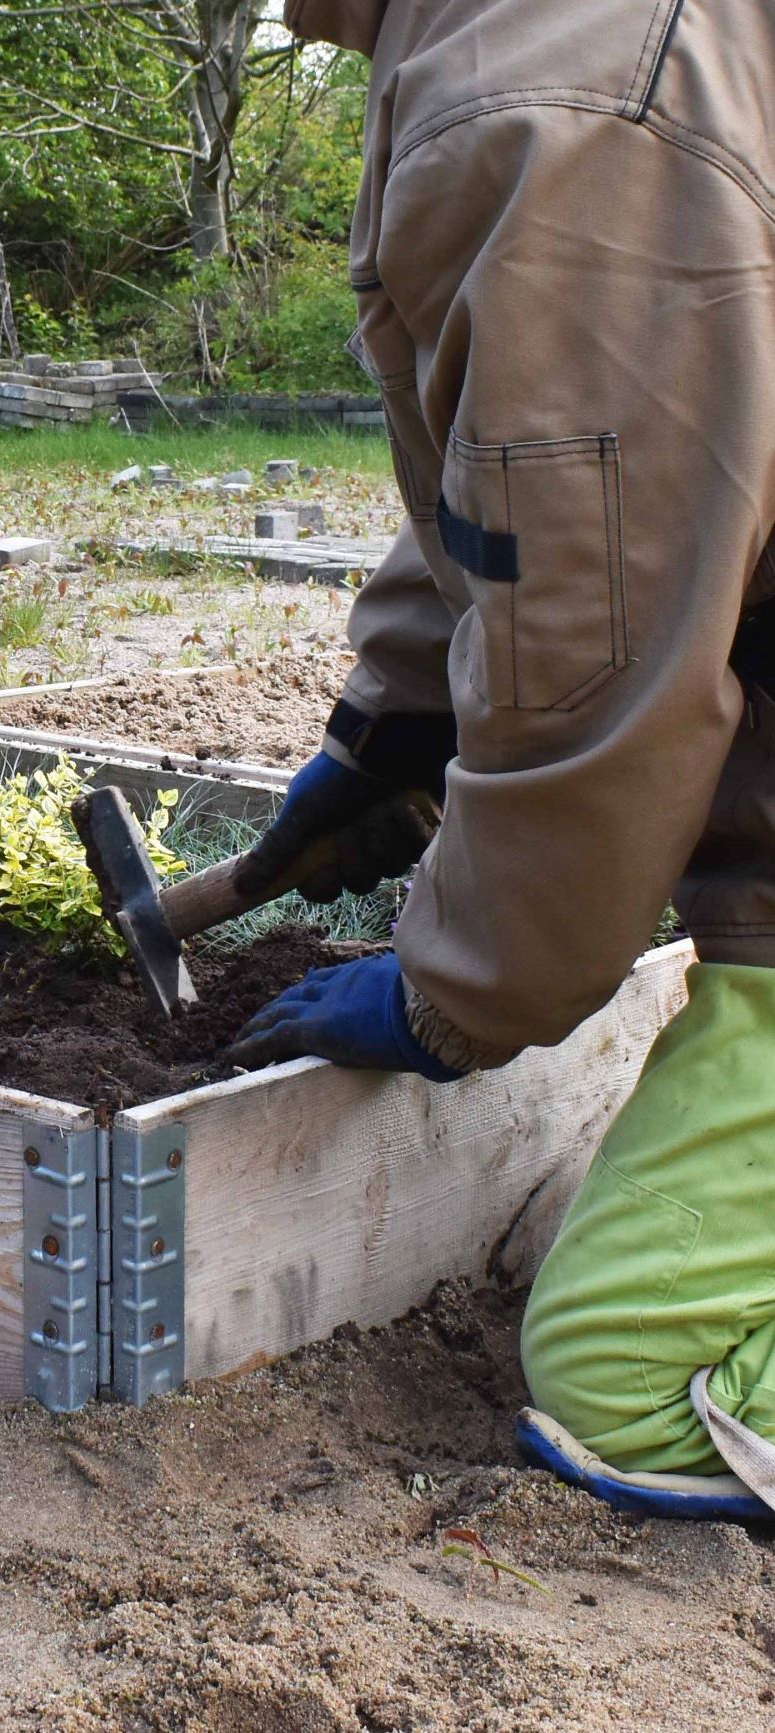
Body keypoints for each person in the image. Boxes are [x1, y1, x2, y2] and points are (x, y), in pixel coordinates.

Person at [228, 0, 775, 1520]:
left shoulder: (562, 100)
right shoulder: (504, 30)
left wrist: (455, 994)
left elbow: (604, 655)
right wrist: (393, 717)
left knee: (623, 1382)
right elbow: (525, 454)